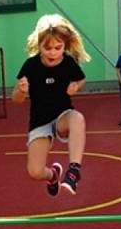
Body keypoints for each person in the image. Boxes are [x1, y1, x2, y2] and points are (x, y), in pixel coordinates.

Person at [12, 13, 89, 195]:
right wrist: (22, 91)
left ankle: (74, 170)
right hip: (39, 121)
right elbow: (15, 99)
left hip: (62, 116)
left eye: (58, 47)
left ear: (65, 46)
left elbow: (81, 79)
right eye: (47, 48)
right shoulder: (30, 66)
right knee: (35, 172)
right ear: (39, 45)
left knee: (77, 118)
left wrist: (75, 86)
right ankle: (53, 175)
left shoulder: (69, 63)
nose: (52, 52)